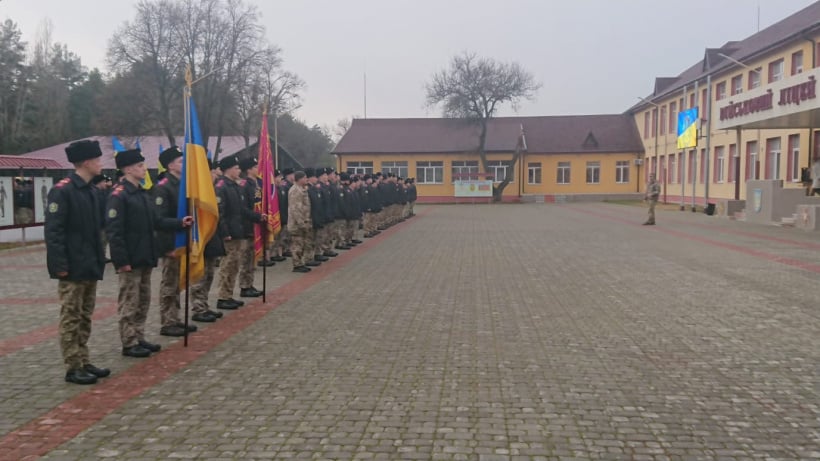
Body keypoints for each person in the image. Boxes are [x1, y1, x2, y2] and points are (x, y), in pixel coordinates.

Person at [107, 149, 193, 358]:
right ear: (127, 169)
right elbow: (114, 231)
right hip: (131, 258)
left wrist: (180, 222)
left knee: (143, 300)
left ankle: (139, 336)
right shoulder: (119, 195)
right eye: (139, 166)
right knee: (129, 301)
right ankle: (128, 341)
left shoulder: (142, 193)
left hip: (145, 255)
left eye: (144, 165)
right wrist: (121, 261)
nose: (144, 169)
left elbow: (156, 221)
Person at [45, 140, 109, 385]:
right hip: (71, 266)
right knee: (71, 317)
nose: (101, 164)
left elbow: (96, 232)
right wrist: (59, 265)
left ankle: (84, 359)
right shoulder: (63, 191)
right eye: (98, 159)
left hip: (89, 263)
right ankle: (72, 366)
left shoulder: (91, 191)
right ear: (85, 162)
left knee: (84, 315)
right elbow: (54, 232)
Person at [153, 147, 210, 329]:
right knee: (169, 284)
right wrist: (179, 222)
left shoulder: (184, 185)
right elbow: (158, 219)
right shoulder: (163, 187)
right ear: (170, 166)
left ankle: (176, 318)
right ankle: (168, 321)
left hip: (183, 240)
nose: (184, 164)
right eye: (180, 161)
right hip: (170, 242)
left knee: (177, 282)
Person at [215, 154, 267, 309]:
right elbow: (220, 213)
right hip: (229, 233)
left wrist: (258, 217)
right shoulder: (221, 187)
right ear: (228, 169)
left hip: (238, 231)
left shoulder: (235, 186)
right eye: (236, 168)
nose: (239, 170)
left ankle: (229, 295)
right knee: (227, 266)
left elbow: (242, 210)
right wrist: (224, 232)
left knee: (234, 265)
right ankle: (223, 297)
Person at [190, 159, 226, 320]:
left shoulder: (211, 191)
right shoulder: (197, 192)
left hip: (212, 237)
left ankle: (204, 305)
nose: (216, 176)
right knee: (200, 276)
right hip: (200, 238)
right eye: (212, 172)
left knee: (209, 274)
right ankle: (198, 308)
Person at [288, 170, 313, 273]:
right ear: (299, 179)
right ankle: (297, 265)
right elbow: (295, 209)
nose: (306, 179)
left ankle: (300, 263)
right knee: (297, 245)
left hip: (303, 221)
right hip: (297, 224)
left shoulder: (302, 189)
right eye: (304, 177)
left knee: (301, 244)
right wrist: (301, 223)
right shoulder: (295, 190)